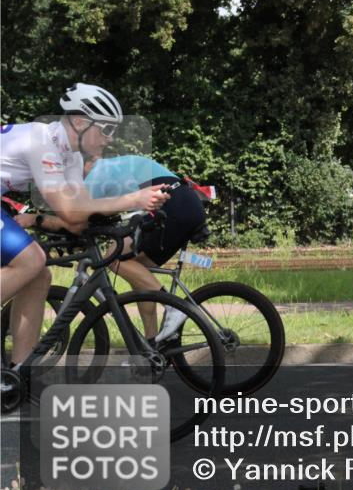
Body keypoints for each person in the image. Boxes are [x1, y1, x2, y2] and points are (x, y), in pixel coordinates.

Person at [0, 84, 170, 366]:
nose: (109, 138)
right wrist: (133, 198)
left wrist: (124, 218)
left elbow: (78, 218)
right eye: (105, 129)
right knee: (31, 260)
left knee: (38, 275)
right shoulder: (41, 142)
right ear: (79, 122)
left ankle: (18, 375)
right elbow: (70, 210)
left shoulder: (71, 155)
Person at [82, 154, 207, 341]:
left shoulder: (95, 173)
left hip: (173, 203)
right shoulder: (113, 167)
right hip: (184, 202)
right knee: (137, 273)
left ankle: (174, 308)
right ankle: (152, 345)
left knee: (114, 258)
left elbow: (77, 215)